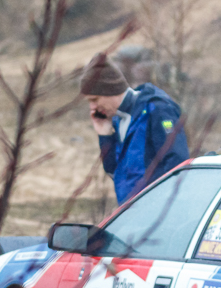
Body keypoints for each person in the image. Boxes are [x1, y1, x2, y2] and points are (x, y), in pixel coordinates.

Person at [80, 52, 188, 203]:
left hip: (157, 210)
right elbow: (115, 173)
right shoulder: (117, 119)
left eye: (94, 99)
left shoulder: (157, 110)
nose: (92, 107)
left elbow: (177, 164)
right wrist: (104, 135)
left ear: (109, 91)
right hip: (131, 211)